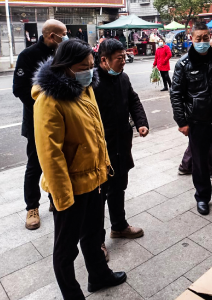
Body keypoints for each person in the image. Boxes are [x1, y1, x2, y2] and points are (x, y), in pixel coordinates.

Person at [32, 38, 126, 300]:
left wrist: (104, 168)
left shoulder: (84, 88)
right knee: (65, 250)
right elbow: (50, 156)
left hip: (93, 180)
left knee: (94, 233)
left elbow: (96, 133)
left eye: (91, 65)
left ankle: (99, 275)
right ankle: (72, 296)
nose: (89, 71)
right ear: (66, 67)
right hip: (69, 188)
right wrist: (62, 199)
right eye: (83, 67)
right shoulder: (49, 101)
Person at [170, 22, 212, 216]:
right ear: (191, 39)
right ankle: (202, 198)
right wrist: (181, 122)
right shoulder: (183, 64)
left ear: (210, 38)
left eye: (205, 38)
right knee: (200, 163)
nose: (202, 42)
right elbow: (176, 94)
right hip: (197, 123)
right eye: (198, 38)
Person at [93, 39, 149, 260]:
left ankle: (119, 226)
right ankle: (97, 241)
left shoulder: (123, 78)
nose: (124, 62)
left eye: (125, 57)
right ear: (104, 60)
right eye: (120, 58)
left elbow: (133, 100)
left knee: (119, 187)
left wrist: (141, 122)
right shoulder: (92, 82)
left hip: (121, 145)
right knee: (99, 196)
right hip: (101, 149)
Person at [13, 19, 68, 230]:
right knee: (35, 164)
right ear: (51, 36)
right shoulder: (27, 56)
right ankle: (32, 207)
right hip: (36, 120)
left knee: (57, 160)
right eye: (63, 34)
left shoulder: (61, 54)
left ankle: (54, 197)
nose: (66, 37)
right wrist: (45, 107)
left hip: (61, 120)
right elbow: (19, 89)